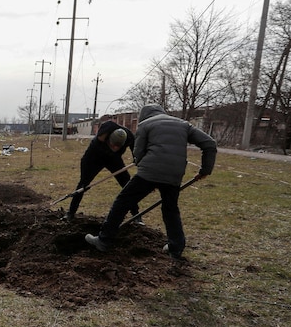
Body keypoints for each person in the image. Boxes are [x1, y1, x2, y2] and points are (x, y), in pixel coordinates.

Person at [85, 104, 217, 260]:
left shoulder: (145, 124)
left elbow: (138, 154)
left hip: (150, 171)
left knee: (122, 202)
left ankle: (103, 240)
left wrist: (148, 178)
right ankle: (176, 249)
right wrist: (205, 170)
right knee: (170, 210)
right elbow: (210, 144)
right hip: (174, 173)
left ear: (143, 116)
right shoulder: (183, 124)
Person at [63, 121, 141, 223]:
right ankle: (70, 213)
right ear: (107, 139)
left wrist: (136, 157)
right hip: (94, 158)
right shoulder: (102, 134)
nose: (115, 148)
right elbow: (86, 161)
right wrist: (85, 177)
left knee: (127, 184)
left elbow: (135, 148)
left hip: (114, 160)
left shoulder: (128, 137)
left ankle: (136, 215)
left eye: (118, 147)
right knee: (83, 185)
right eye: (113, 145)